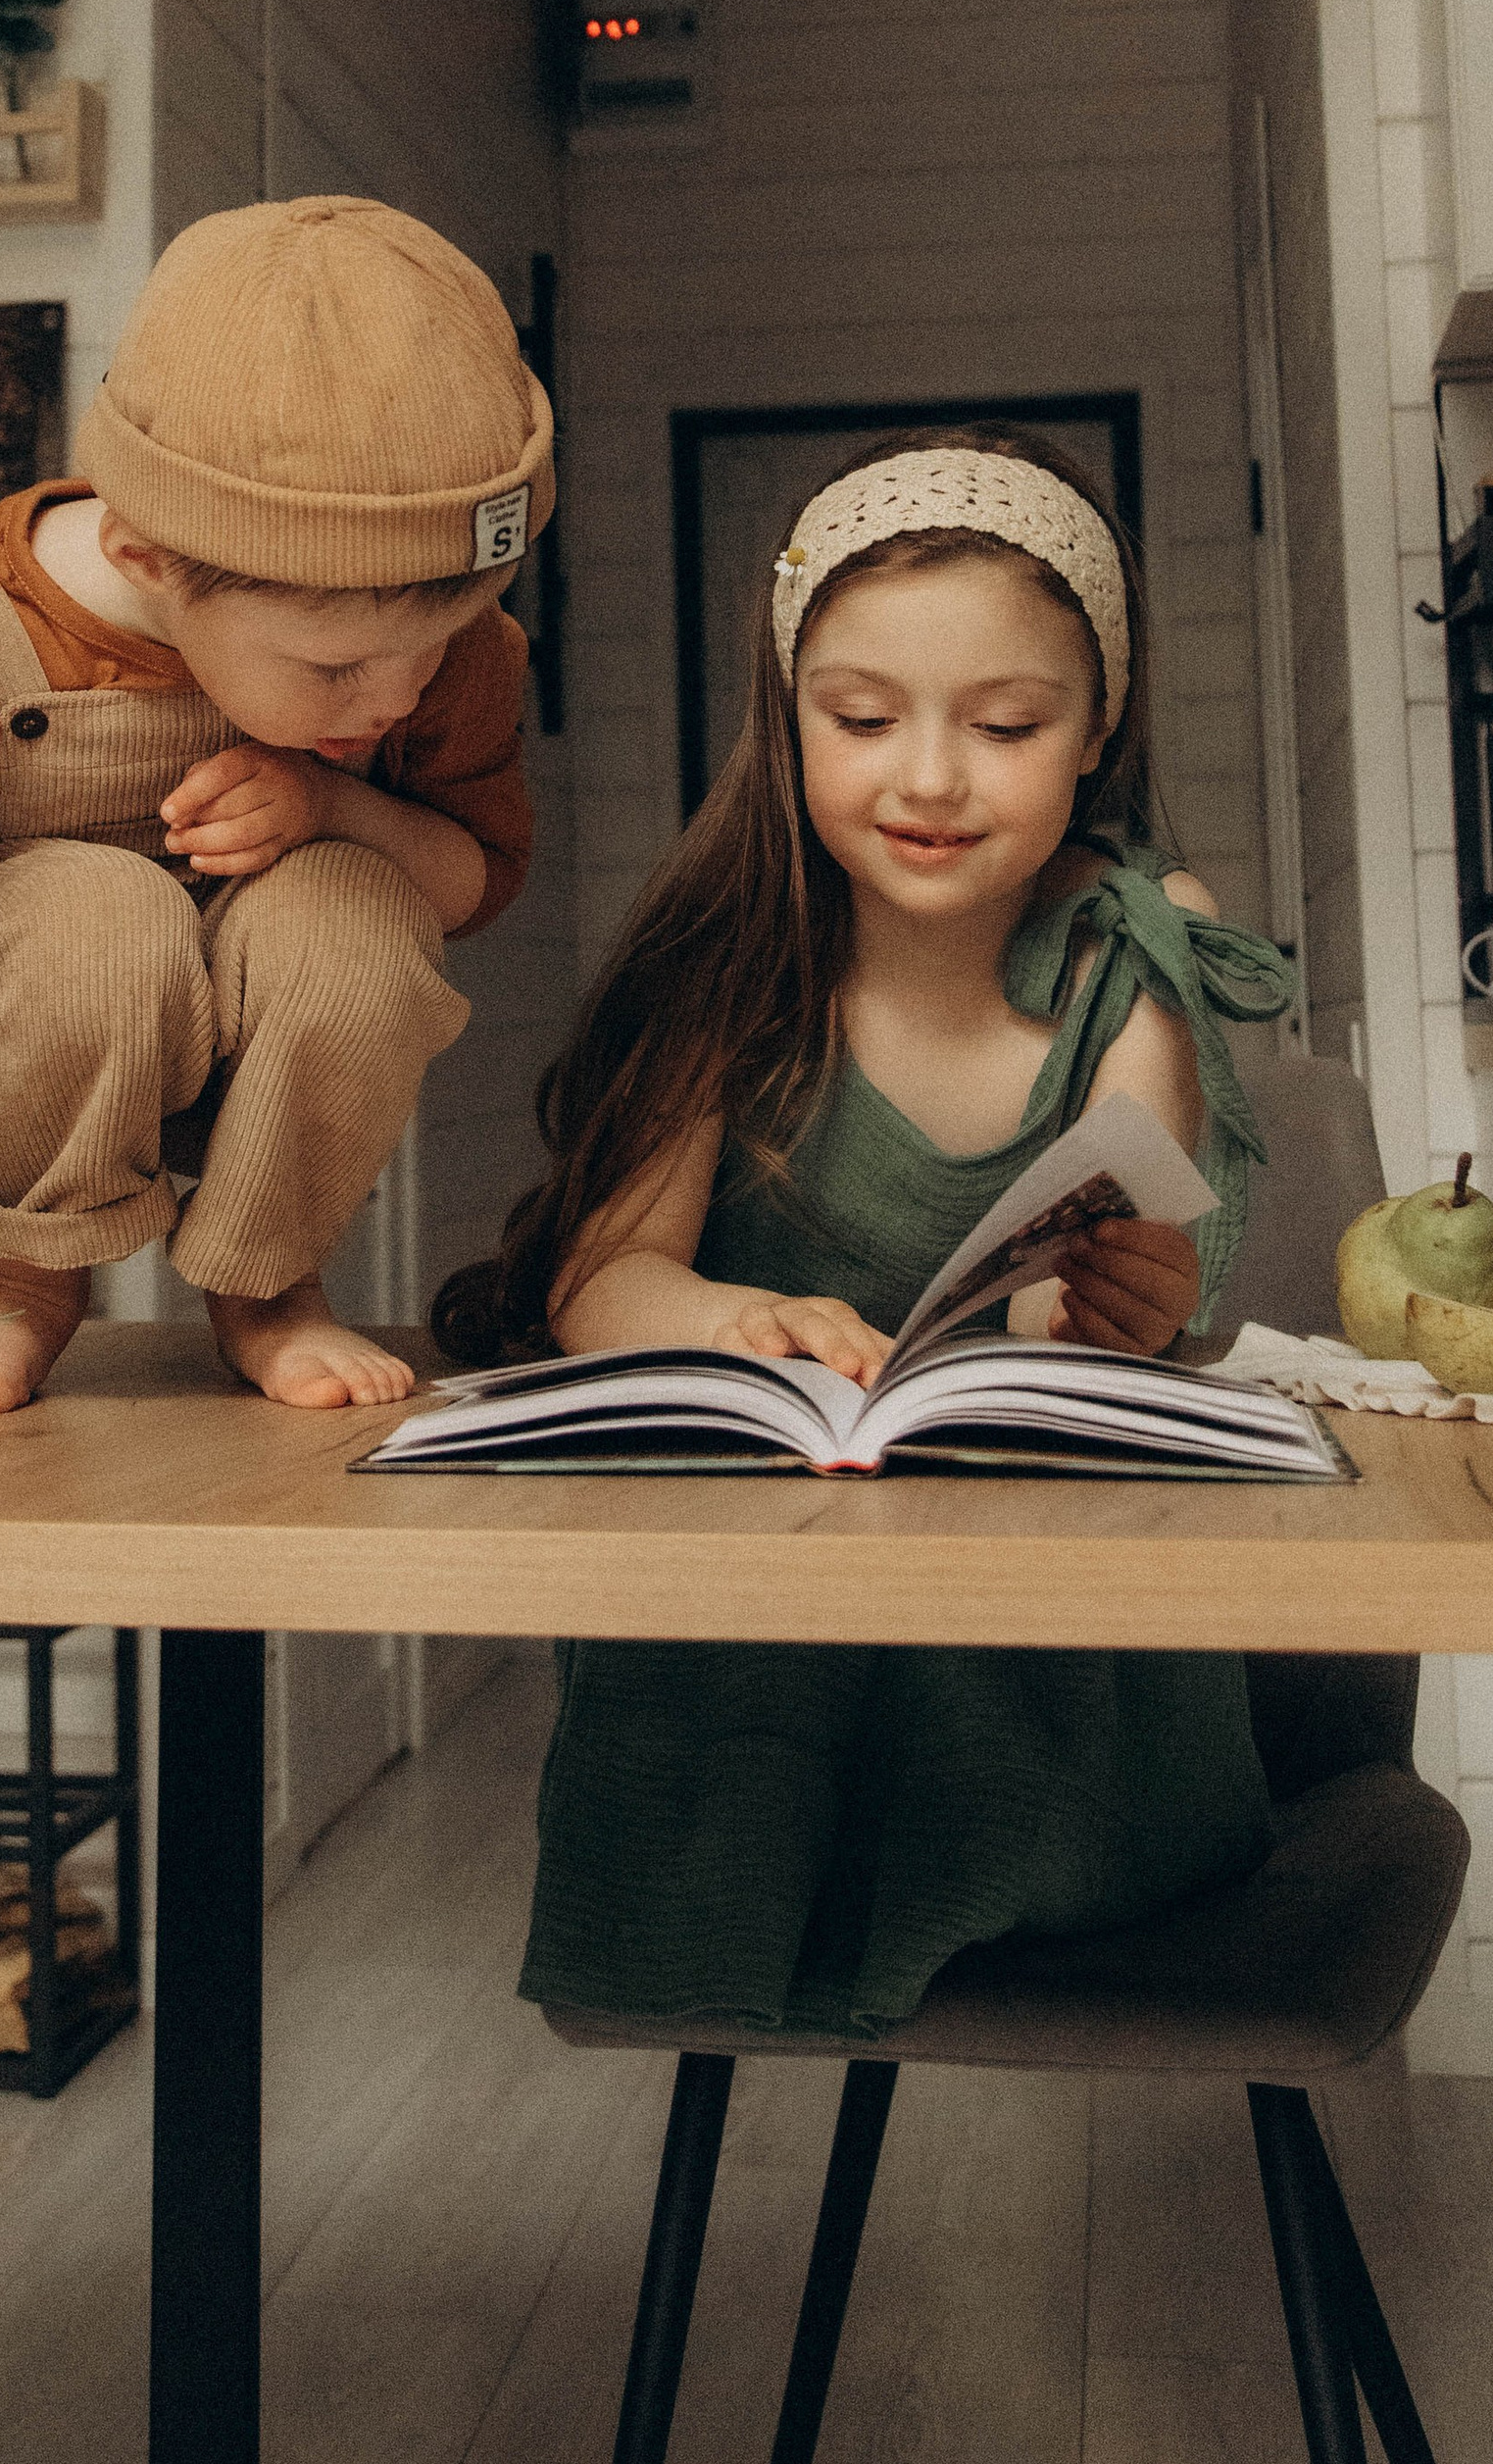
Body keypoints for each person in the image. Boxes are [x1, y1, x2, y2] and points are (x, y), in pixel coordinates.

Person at [436, 426, 1296, 2038]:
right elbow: (603, 1280)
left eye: (1008, 725)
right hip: (773, 1605)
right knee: (733, 1643)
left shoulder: (1137, 970)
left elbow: (1136, 1275)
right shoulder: (731, 964)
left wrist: (1129, 1306)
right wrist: (713, 1317)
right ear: (790, 720)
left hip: (1050, 1625)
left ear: (1096, 735)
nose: (927, 778)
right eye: (861, 717)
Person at [0, 195, 551, 1415]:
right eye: (335, 668)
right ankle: (28, 1285)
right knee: (95, 915)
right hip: (21, 1027)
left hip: (263, 1055)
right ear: (145, 557)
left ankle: (269, 1285)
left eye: (438, 641)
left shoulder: (440, 651)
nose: (396, 698)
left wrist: (338, 802)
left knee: (354, 914)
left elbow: (474, 882)